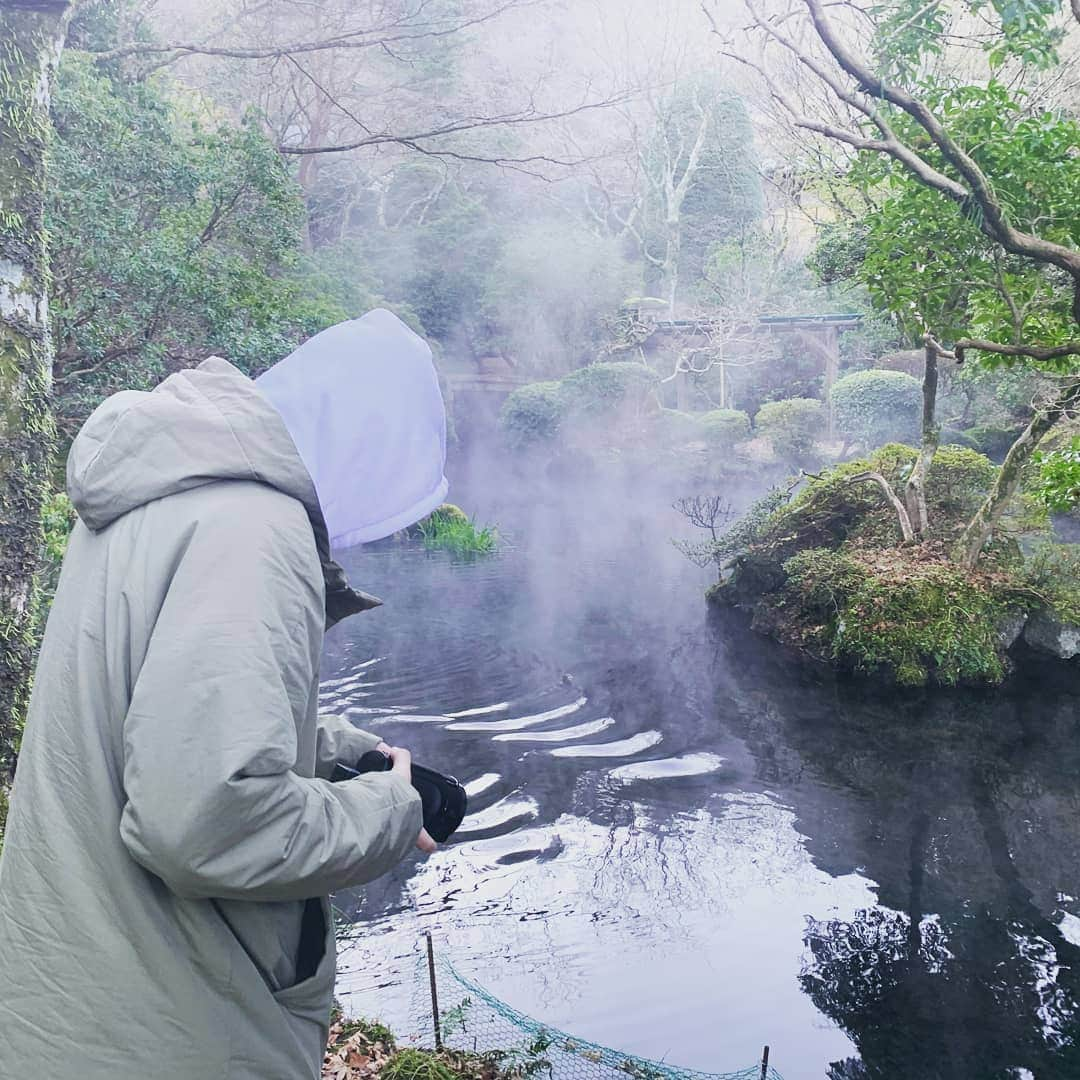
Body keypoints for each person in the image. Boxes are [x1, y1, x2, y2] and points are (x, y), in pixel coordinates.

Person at [0, 309, 449, 1080]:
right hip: (173, 1026)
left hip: (74, 997)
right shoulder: (257, 527)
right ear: (367, 445)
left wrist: (336, 750)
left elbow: (155, 712)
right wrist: (391, 810)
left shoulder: (160, 491)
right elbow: (205, 824)